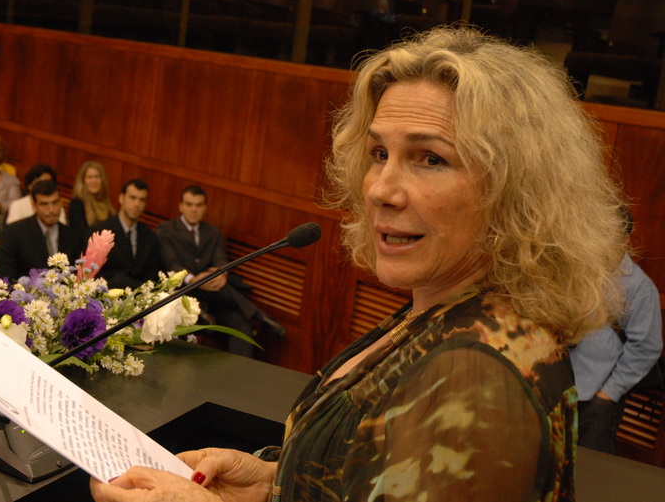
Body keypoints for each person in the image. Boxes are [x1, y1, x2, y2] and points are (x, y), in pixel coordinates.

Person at [92, 27, 628, 502]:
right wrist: (271, 483)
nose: (380, 190)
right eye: (379, 154)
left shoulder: (475, 376)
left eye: (431, 158)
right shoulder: (442, 309)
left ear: (514, 191)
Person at [570, 210, 663, 454]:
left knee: (591, 466)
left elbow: (646, 348)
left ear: (625, 239)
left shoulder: (640, 287)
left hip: (597, 399)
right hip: (562, 388)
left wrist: (608, 394)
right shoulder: (579, 269)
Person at [156, 185, 285, 358]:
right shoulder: (165, 230)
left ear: (205, 207)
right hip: (184, 294)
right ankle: (260, 316)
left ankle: (240, 371)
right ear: (181, 206)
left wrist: (221, 274)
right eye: (189, 204)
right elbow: (171, 264)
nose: (194, 209)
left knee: (241, 321)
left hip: (214, 296)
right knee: (215, 287)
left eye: (199, 205)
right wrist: (195, 280)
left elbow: (220, 260)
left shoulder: (213, 232)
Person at [0, 179, 82, 281]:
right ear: (34, 205)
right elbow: (6, 277)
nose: (51, 210)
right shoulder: (13, 234)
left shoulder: (73, 236)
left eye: (55, 203)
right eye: (44, 204)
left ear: (61, 202)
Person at [93, 179, 161, 290]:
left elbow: (152, 275)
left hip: (140, 296)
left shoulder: (150, 237)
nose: (137, 204)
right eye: (132, 198)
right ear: (121, 198)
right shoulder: (101, 231)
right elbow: (92, 271)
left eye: (142, 200)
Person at [68, 160, 115, 239]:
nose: (94, 181)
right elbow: (80, 234)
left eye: (97, 177)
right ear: (83, 181)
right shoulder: (77, 203)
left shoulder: (106, 202)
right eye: (90, 177)